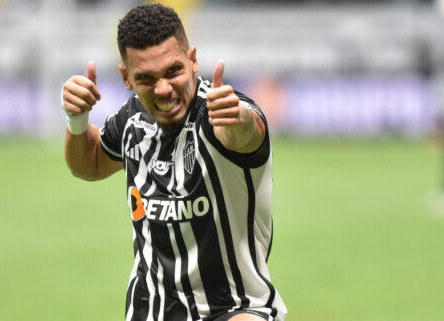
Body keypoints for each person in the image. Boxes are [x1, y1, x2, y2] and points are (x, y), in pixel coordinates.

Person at [61, 3, 287, 321]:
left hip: (235, 307)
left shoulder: (222, 112)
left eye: (173, 71)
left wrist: (237, 120)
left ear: (193, 60)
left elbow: (247, 132)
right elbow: (89, 164)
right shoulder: (131, 121)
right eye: (146, 79)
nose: (164, 89)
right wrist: (77, 121)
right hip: (150, 311)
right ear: (126, 78)